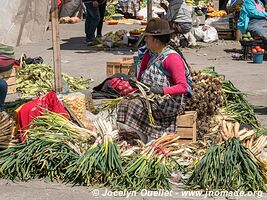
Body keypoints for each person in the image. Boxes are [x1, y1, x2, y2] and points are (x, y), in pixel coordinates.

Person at [117, 18, 192, 143]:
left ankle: (152, 138)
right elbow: (141, 77)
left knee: (135, 105)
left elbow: (183, 87)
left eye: (147, 37)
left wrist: (163, 90)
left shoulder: (172, 58)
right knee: (125, 103)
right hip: (151, 97)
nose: (145, 40)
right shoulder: (149, 54)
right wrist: (134, 81)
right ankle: (144, 137)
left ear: (156, 40)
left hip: (168, 102)